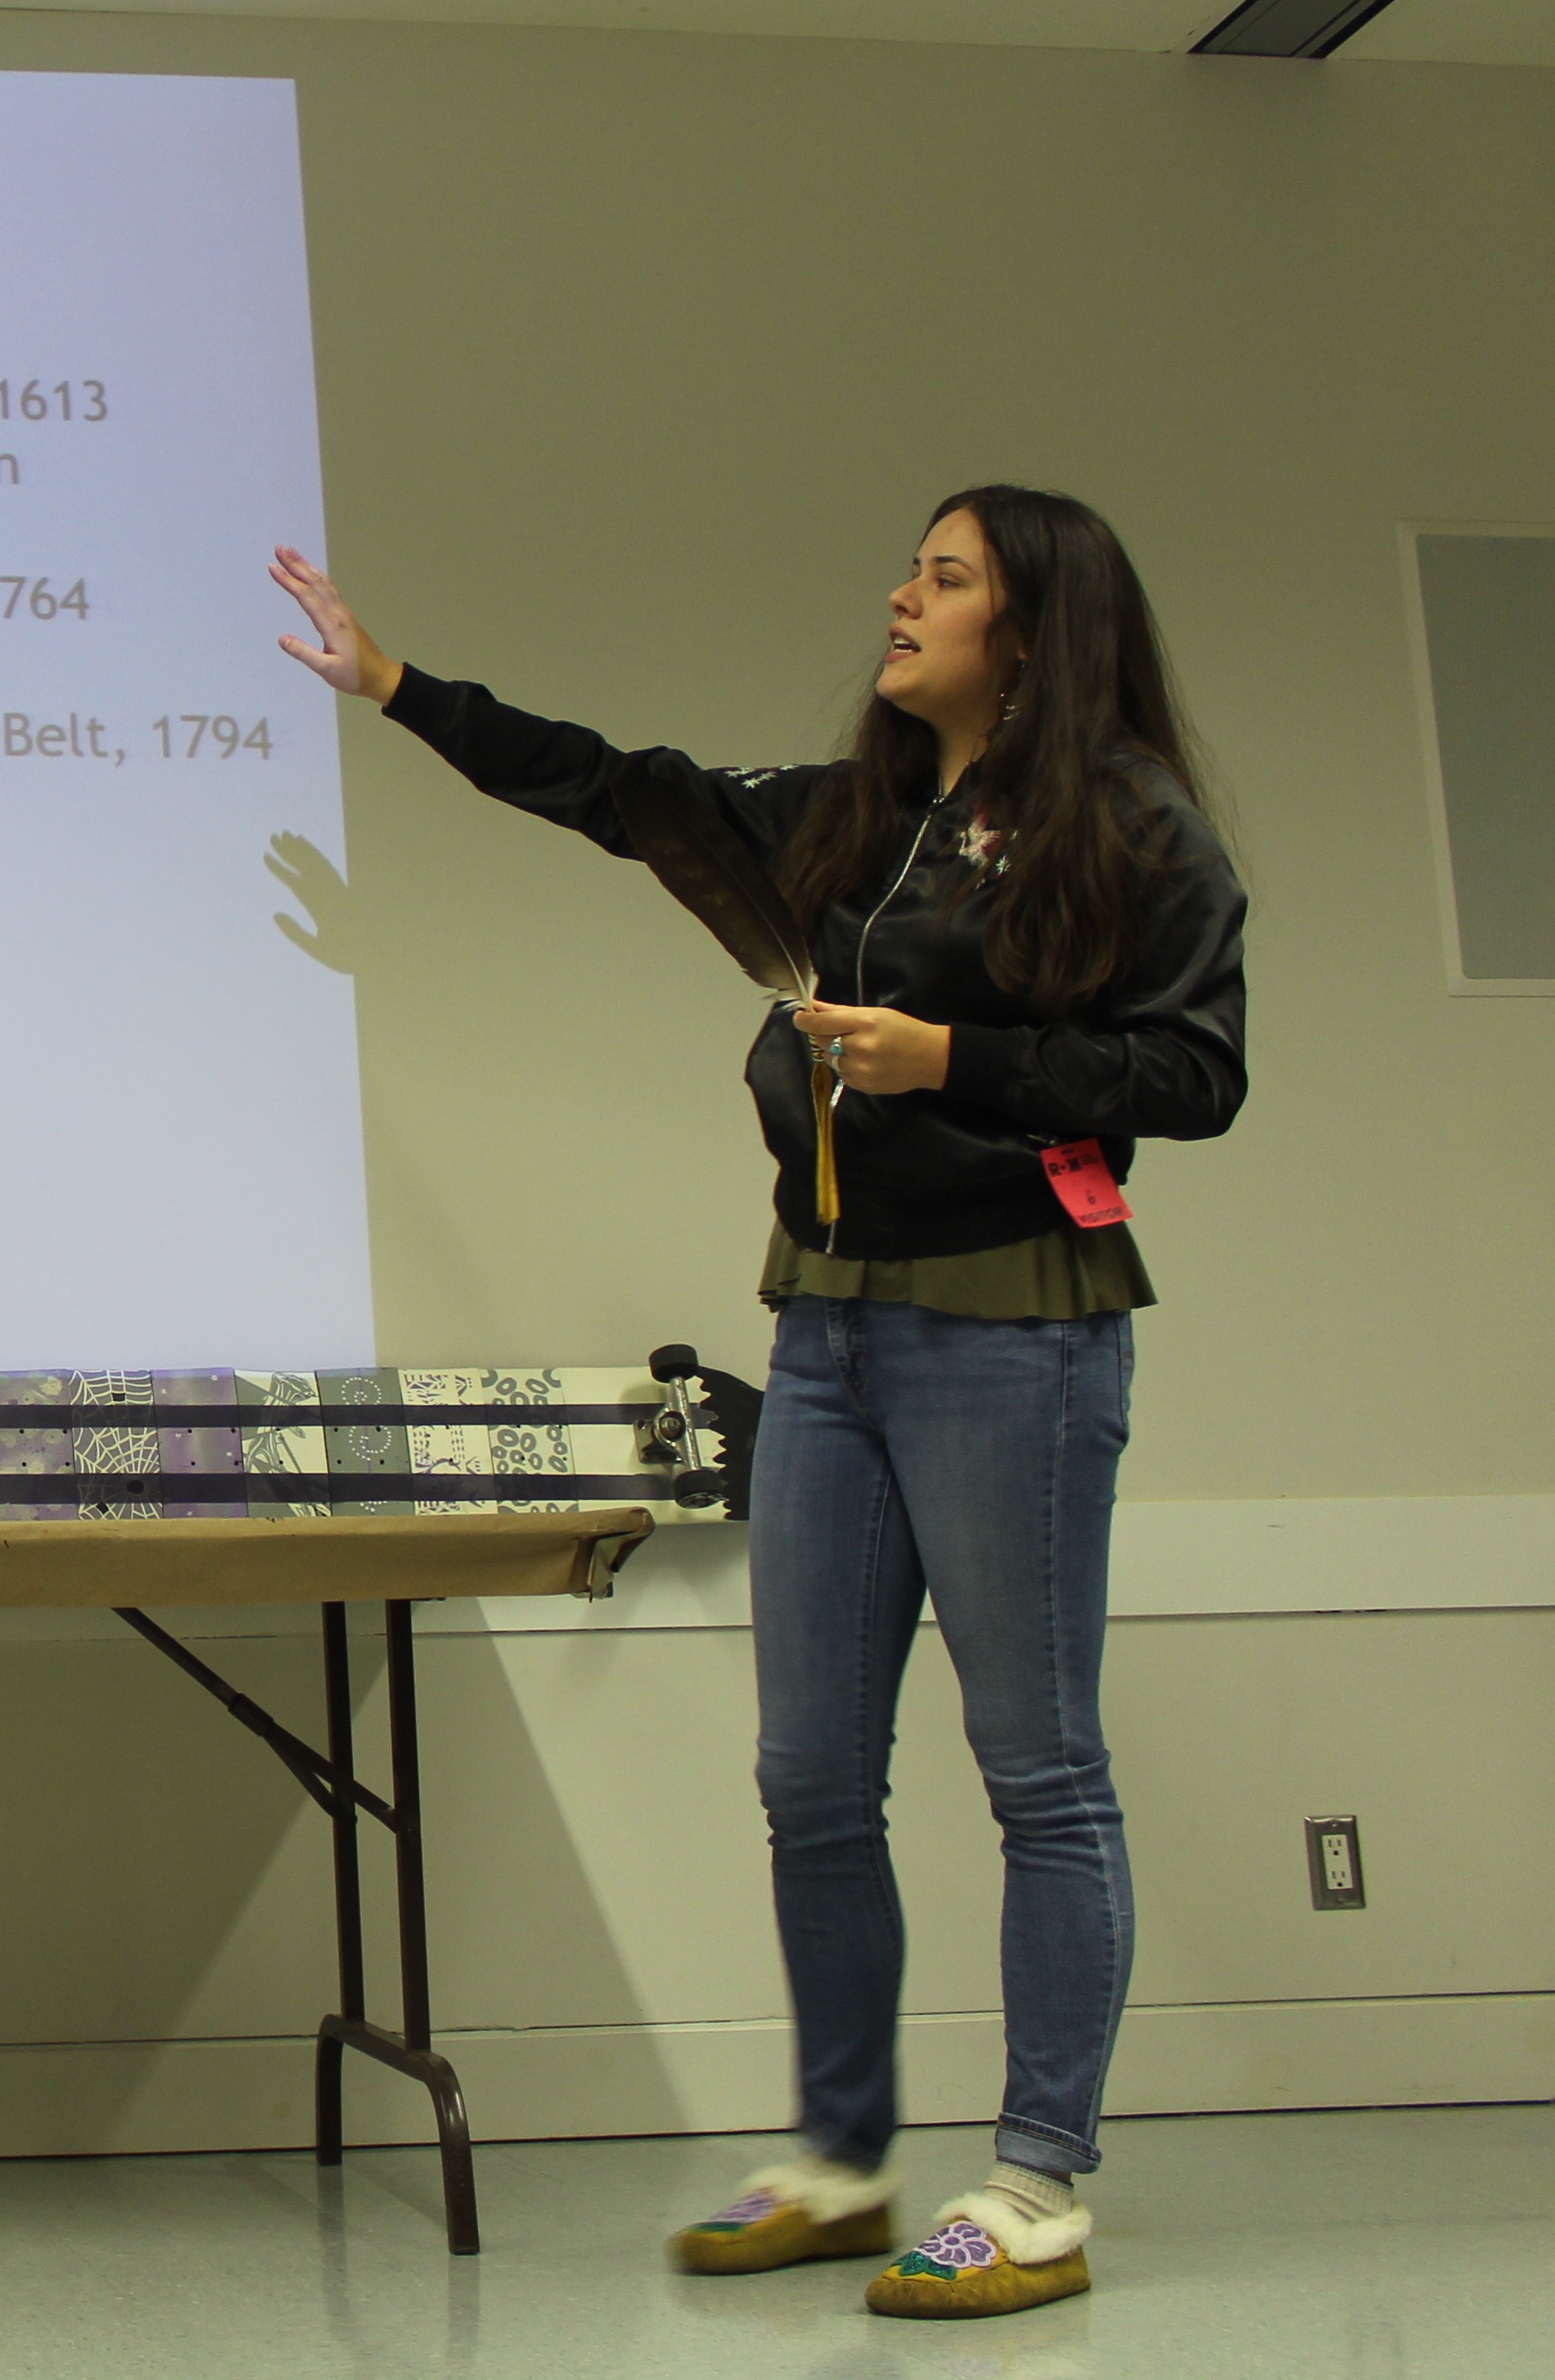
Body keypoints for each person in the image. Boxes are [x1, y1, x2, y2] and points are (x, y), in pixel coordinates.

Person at [268, 488, 1246, 2322]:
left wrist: (958, 1060)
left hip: (1014, 1333)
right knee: (809, 1775)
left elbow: (1194, 1074)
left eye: (943, 579)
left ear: (1030, 637)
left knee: (1040, 1773)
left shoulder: (1132, 831)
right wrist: (395, 684)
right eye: (912, 569)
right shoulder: (856, 822)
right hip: (830, 1330)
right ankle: (845, 2159)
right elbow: (622, 791)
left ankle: (1038, 2184)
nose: (900, 595)